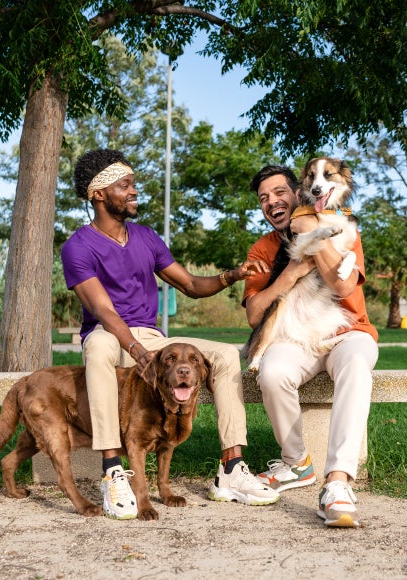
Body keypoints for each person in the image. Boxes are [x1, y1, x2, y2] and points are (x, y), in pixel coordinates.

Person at [61, 149, 279, 520]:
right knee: (97, 348)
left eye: (133, 183)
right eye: (124, 185)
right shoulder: (77, 247)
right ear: (98, 194)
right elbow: (104, 311)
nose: (134, 191)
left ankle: (230, 468)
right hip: (111, 335)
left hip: (152, 337)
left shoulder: (146, 238)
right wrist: (134, 348)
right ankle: (112, 470)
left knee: (226, 354)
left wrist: (232, 275)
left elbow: (192, 284)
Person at [242, 165, 379, 528]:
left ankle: (337, 482)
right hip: (297, 337)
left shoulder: (344, 226)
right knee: (271, 373)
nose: (272, 202)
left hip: (348, 331)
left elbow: (345, 285)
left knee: (355, 366)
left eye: (278, 193)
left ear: (299, 193)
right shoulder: (263, 247)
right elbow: (255, 316)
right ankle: (296, 463)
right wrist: (290, 273)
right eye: (263, 198)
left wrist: (312, 232)